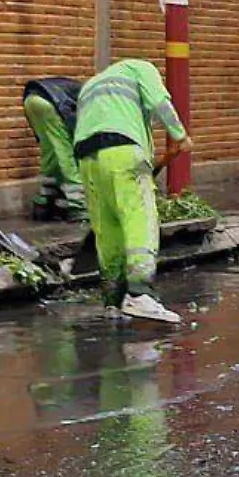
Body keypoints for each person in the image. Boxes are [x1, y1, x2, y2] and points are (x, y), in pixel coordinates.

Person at [73, 58, 193, 324]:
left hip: (86, 159)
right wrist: (180, 136)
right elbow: (160, 102)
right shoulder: (142, 68)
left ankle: (112, 302)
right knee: (139, 218)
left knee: (107, 228)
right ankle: (139, 294)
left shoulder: (91, 86)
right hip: (124, 150)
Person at [22, 76, 86, 222]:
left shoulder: (88, 92)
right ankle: (78, 207)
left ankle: (44, 202)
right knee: (65, 153)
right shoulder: (94, 106)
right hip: (52, 103)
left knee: (51, 153)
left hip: (32, 99)